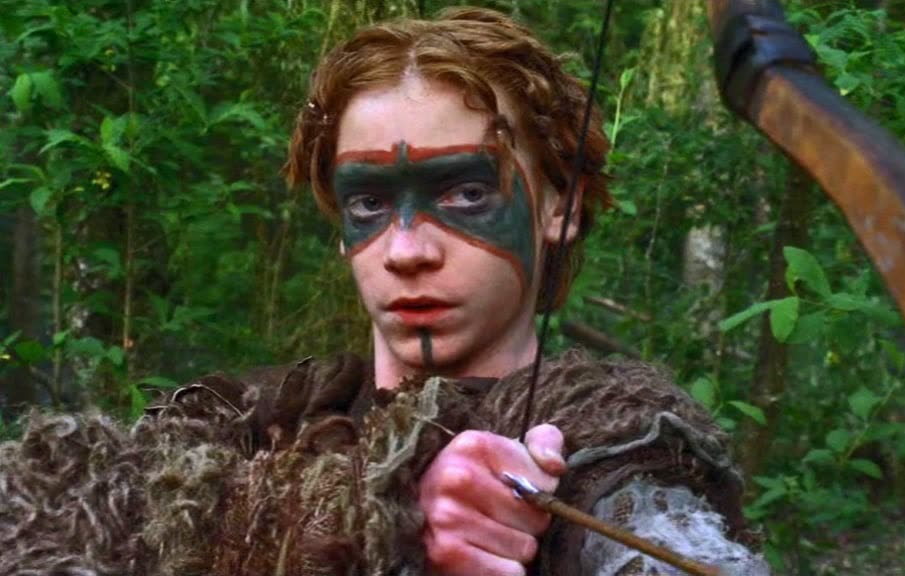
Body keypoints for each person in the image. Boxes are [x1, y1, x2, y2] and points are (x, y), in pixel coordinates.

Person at [0, 7, 768, 576]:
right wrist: (383, 519)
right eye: (368, 201)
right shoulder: (251, 416)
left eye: (467, 192)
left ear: (559, 206)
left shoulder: (613, 441)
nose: (405, 251)